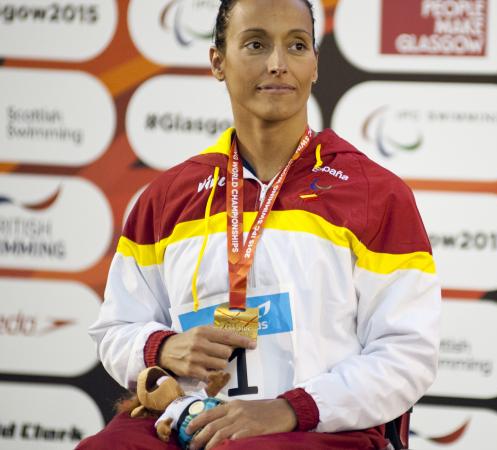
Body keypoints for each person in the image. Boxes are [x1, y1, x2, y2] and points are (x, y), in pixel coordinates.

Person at [77, 0, 440, 448]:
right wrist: (161, 349)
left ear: (314, 66)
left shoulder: (374, 193)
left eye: (297, 45)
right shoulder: (167, 197)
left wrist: (291, 408)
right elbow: (115, 328)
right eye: (255, 44)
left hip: (317, 429)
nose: (277, 64)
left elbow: (408, 352)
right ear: (217, 62)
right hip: (189, 419)